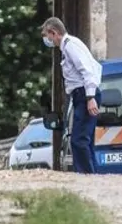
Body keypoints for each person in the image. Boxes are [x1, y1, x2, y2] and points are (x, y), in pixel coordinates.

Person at [41, 17, 102, 174]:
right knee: (85, 141)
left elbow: (87, 71)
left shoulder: (70, 46)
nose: (48, 40)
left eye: (47, 36)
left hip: (84, 94)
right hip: (81, 94)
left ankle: (86, 175)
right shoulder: (69, 46)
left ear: (54, 33)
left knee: (79, 140)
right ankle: (92, 174)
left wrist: (90, 97)